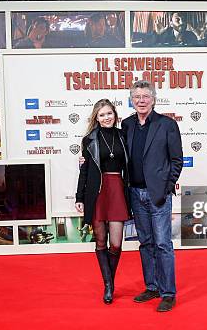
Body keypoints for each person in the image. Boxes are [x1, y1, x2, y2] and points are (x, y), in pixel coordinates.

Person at [122, 80, 183, 312]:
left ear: (153, 99)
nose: (141, 101)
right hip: (135, 193)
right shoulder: (126, 124)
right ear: (131, 99)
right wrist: (88, 157)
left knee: (162, 244)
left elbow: (177, 159)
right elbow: (116, 152)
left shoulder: (167, 124)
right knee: (145, 243)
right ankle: (152, 287)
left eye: (145, 96)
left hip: (158, 194)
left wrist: (167, 186)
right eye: (136, 97)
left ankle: (168, 292)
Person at [75, 99, 130, 304]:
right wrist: (79, 197)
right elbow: (84, 171)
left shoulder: (124, 136)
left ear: (114, 115)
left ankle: (110, 280)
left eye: (109, 113)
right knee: (100, 241)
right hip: (97, 192)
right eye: (102, 115)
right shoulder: (89, 140)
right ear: (96, 118)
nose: (106, 117)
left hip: (117, 190)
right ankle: (108, 285)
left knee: (115, 244)